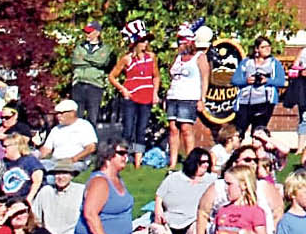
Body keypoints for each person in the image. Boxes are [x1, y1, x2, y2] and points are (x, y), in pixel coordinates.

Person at [69, 143, 135, 234]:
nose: (126, 157)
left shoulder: (117, 179)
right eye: (122, 153)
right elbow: (90, 214)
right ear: (108, 155)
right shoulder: (100, 182)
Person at [106, 23, 160, 156]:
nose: (145, 43)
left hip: (146, 96)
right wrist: (122, 89)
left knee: (141, 130)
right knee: (128, 129)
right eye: (142, 41)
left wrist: (155, 94)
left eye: (146, 40)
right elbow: (112, 76)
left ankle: (138, 160)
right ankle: (123, 155)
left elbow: (156, 76)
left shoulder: (151, 57)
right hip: (131, 97)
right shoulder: (126, 59)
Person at [164, 32, 209, 169]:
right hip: (174, 96)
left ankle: (190, 161)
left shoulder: (199, 57)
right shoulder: (177, 58)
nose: (180, 46)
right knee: (173, 129)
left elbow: (205, 78)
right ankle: (172, 163)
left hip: (189, 97)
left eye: (183, 43)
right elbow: (171, 76)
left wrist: (202, 98)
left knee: (186, 128)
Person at [232, 36, 285, 138]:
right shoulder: (246, 62)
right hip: (245, 100)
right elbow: (235, 80)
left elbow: (281, 81)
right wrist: (246, 81)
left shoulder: (274, 63)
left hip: (265, 101)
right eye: (264, 47)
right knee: (239, 130)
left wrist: (267, 80)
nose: (267, 49)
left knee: (258, 132)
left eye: (269, 46)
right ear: (257, 49)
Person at [65, 24, 113, 128]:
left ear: (97, 33)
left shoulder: (105, 48)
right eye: (86, 32)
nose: (87, 34)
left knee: (92, 116)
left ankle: (90, 142)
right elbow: (75, 61)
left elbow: (101, 61)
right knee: (77, 116)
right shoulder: (79, 46)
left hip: (95, 85)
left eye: (89, 32)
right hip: (79, 83)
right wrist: (93, 60)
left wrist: (84, 58)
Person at [40, 98, 99, 171]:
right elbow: (46, 149)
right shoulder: (56, 129)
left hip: (76, 162)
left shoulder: (84, 126)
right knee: (36, 167)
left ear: (72, 113)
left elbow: (91, 148)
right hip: (55, 161)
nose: (58, 116)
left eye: (61, 113)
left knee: (53, 175)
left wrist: (73, 159)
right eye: (57, 113)